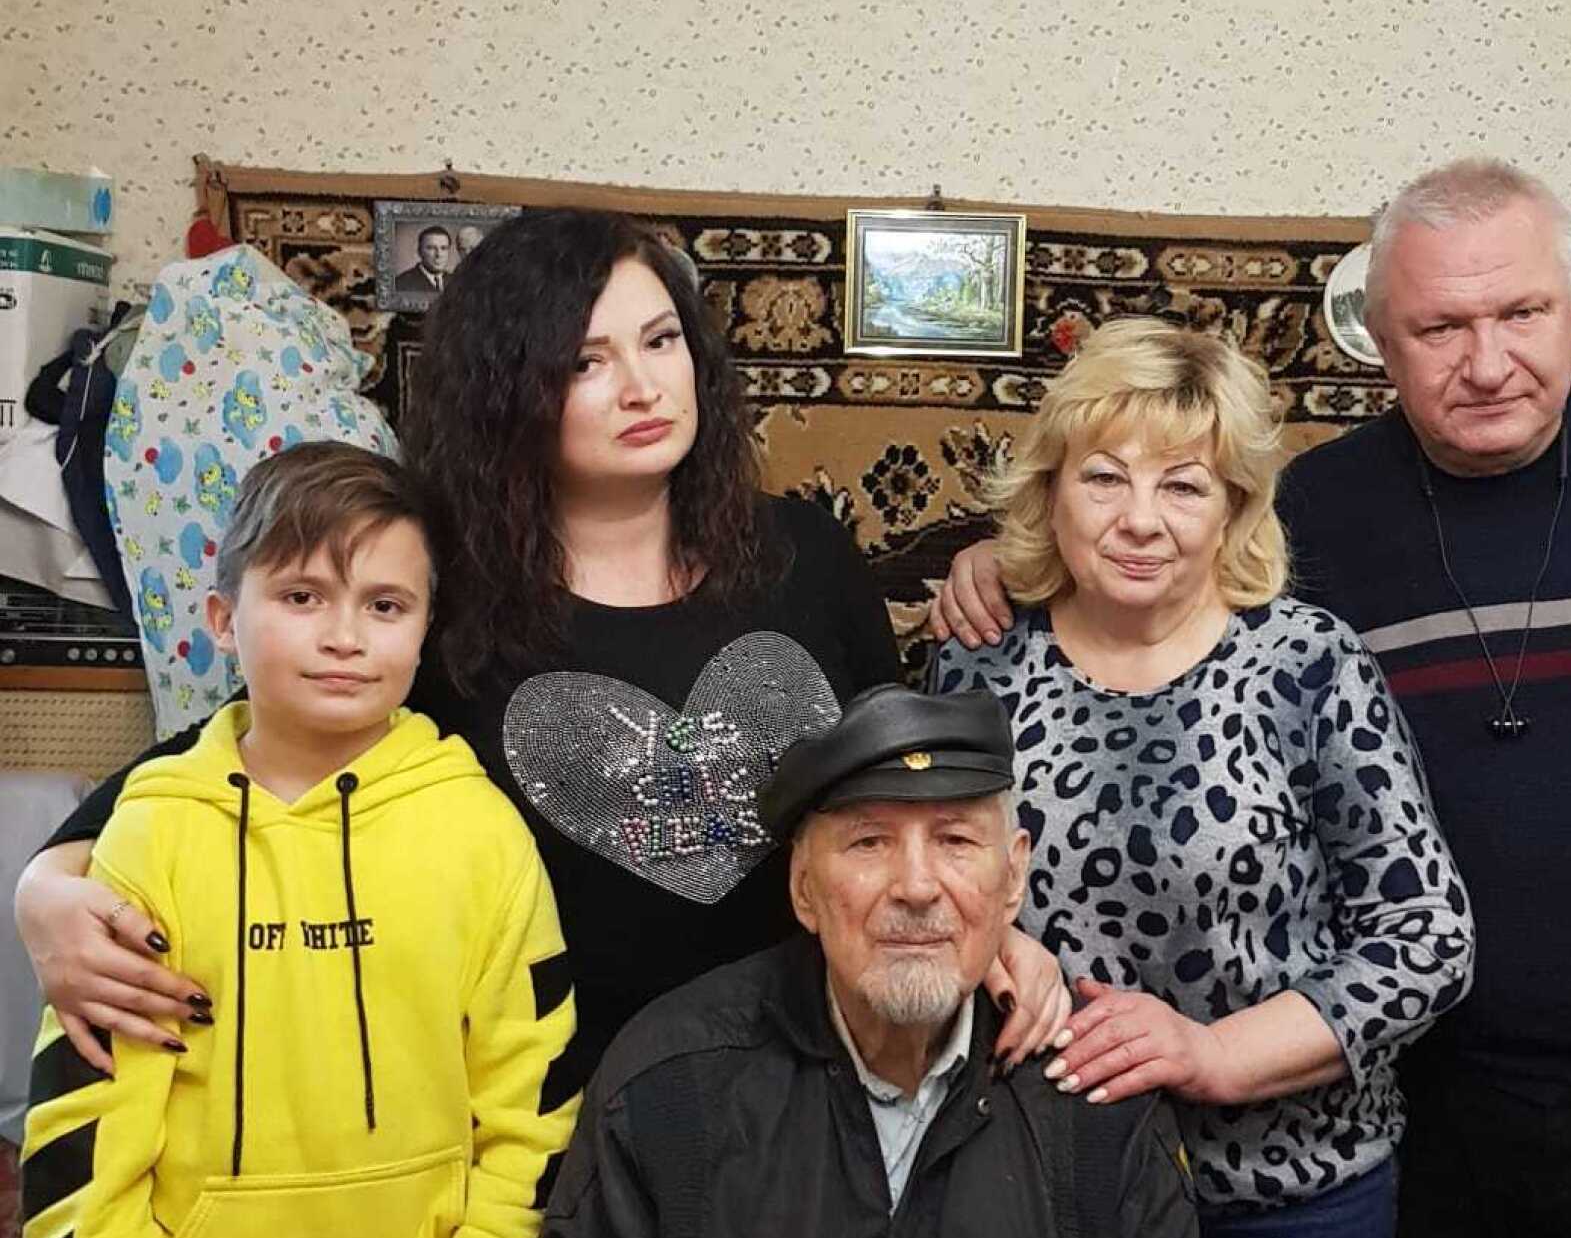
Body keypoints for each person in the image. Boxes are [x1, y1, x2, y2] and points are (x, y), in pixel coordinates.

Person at [930, 159, 1571, 1238]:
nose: (1486, 361)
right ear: (1377, 340)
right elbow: (1149, 547)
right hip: (1418, 1107)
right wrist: (1009, 559)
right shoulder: (1311, 515)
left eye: (1521, 313)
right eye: (1438, 326)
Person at [17, 208, 1069, 1110]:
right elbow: (239, 751)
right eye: (583, 362)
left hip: (796, 1100)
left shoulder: (808, 555)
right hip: (531, 1109)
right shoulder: (436, 588)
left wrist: (981, 944)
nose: (641, 385)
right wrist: (46, 886)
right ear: (509, 389)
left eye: (661, 342)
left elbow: (900, 803)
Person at [929, 318, 1471, 1238]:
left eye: (1181, 485)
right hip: (1041, 1189)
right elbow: (915, 879)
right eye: (1104, 477)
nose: (1140, 519)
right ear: (1050, 488)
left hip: (1282, 1206)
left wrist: (1212, 1053)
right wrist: (986, 944)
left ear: (1231, 509)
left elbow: (1426, 939)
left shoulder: (1309, 664)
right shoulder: (977, 664)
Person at [20, 442, 576, 1238]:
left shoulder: (481, 832)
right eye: (302, 596)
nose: (345, 637)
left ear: (428, 626)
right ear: (221, 618)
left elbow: (532, 1104)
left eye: (386, 605)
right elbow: (86, 1117)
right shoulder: (149, 833)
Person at [525, 684, 1211, 1238]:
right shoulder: (668, 1091)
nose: (915, 887)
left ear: (1013, 878)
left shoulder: (1094, 1100)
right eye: (868, 844)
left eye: (955, 842)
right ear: (803, 888)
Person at [394, 225, 454, 294]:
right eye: (431, 248)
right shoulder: (401, 284)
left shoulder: (456, 281)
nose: (438, 254)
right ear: (419, 251)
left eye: (443, 248)